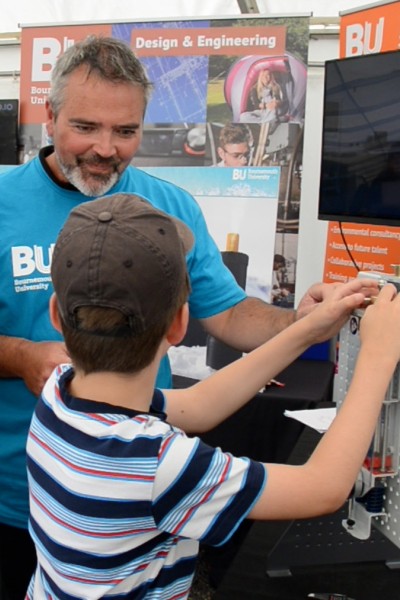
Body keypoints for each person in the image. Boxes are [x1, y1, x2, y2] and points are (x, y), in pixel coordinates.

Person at [0, 34, 377, 598]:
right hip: (11, 496)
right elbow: (322, 487)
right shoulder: (3, 202)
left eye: (126, 132)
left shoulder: (169, 208)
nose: (106, 148)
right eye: (87, 127)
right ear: (49, 117)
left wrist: (302, 320)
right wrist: (21, 356)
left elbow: (229, 318)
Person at [25, 192, 400, 599]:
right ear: (181, 325)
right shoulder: (157, 465)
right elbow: (322, 487)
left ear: (56, 316)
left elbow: (198, 406)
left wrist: (306, 329)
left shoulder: (59, 392)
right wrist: (377, 355)